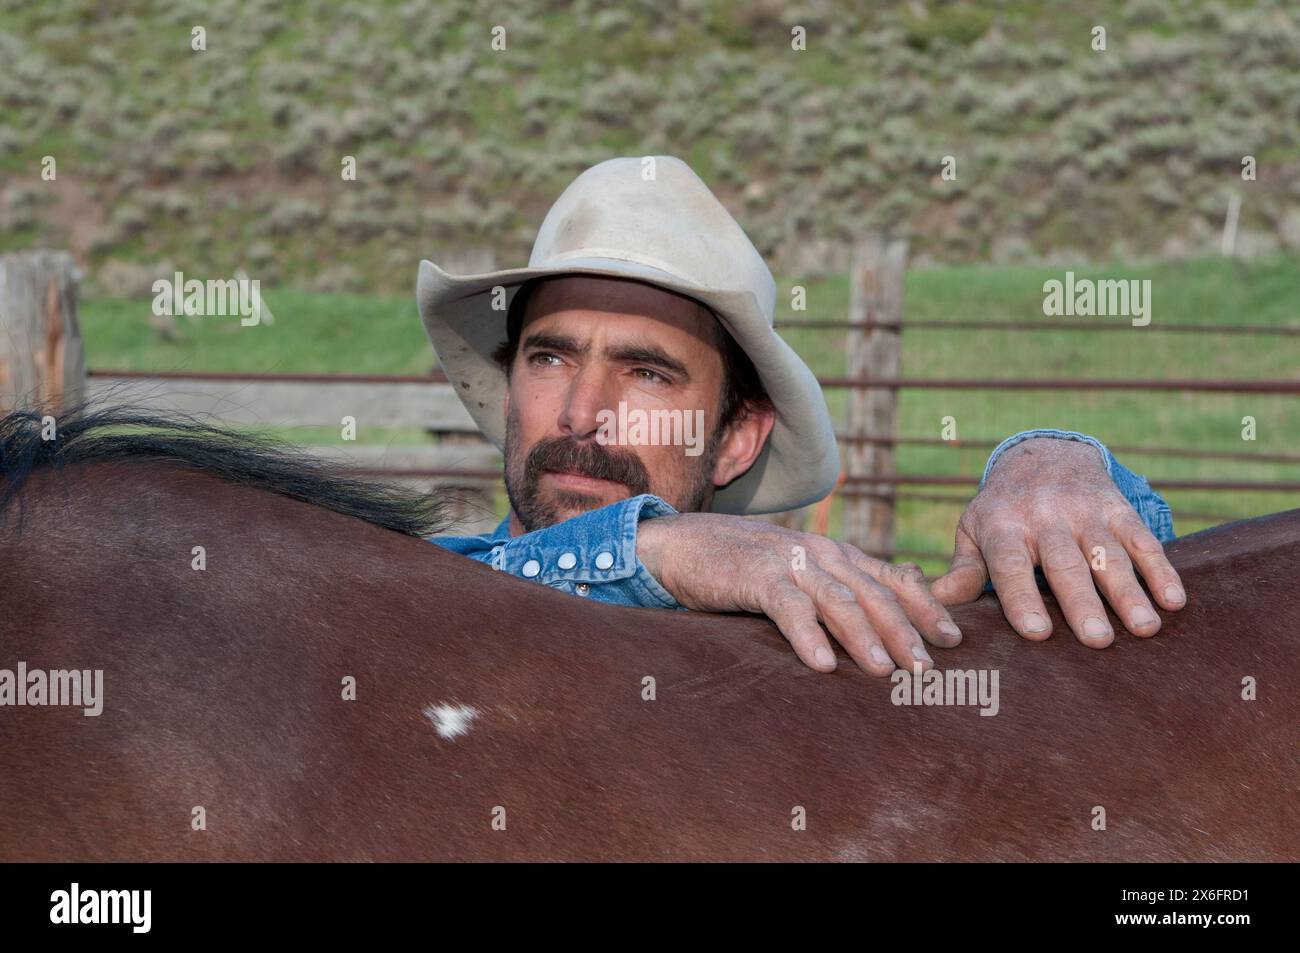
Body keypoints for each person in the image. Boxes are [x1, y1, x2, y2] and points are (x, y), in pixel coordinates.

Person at [418, 156, 1184, 675]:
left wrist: (1050, 463)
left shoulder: (804, 622)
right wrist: (651, 547)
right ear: (510, 387)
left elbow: (1168, 595)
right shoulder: (415, 594)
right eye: (549, 358)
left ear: (737, 439)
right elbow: (437, 589)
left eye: (646, 372)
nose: (582, 413)